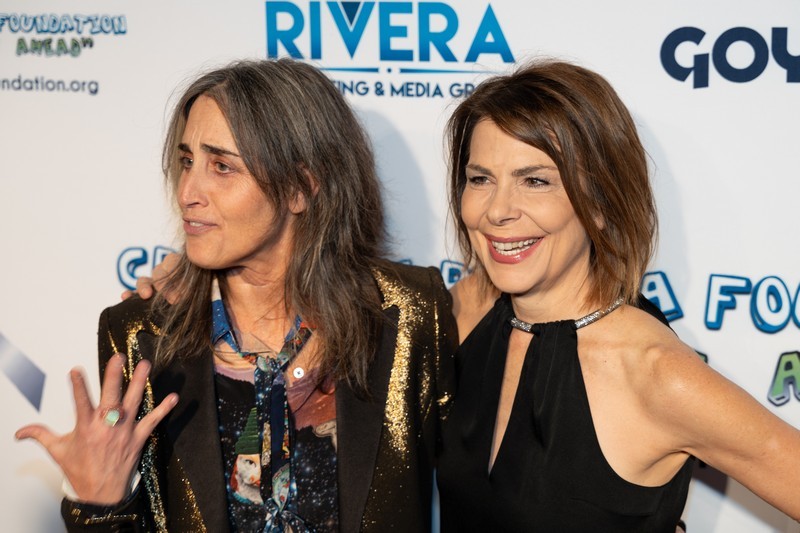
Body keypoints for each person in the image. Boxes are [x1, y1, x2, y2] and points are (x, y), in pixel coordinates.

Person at [16, 58, 457, 532]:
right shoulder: (142, 335)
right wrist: (101, 502)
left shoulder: (410, 315)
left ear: (301, 188)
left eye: (222, 167)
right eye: (187, 161)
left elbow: (483, 496)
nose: (188, 191)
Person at [436, 60, 800, 531]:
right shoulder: (468, 309)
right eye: (480, 179)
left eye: (535, 180)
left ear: (600, 202)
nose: (497, 210)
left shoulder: (657, 374)